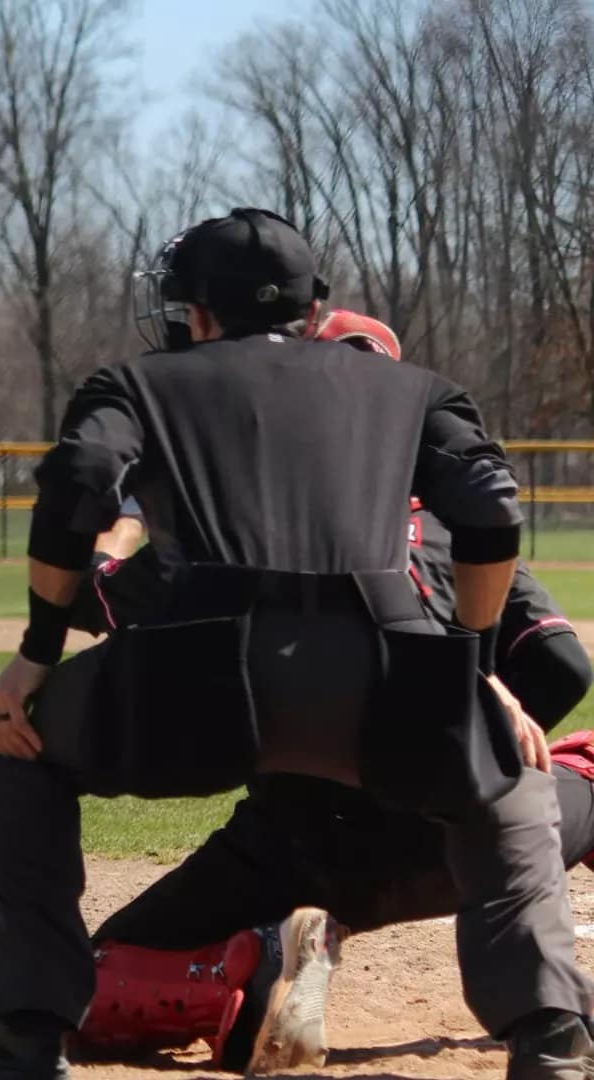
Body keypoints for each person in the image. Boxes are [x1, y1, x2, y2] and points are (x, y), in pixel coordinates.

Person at [0, 210, 594, 1080]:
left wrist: (38, 651)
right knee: (503, 788)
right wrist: (468, 665)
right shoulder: (418, 390)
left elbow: (84, 482)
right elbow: (491, 511)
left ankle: (18, 1030)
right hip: (382, 684)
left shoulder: (137, 381)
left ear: (197, 314)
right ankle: (549, 1034)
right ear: (315, 311)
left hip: (193, 679)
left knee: (5, 753)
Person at [67, 311, 594, 1072]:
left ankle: (236, 981)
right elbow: (564, 666)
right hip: (454, 835)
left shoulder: (242, 527)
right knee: (571, 780)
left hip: (289, 850)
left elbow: (98, 599)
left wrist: (120, 527)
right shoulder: (454, 527)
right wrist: (484, 705)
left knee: (84, 983)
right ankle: (554, 1010)